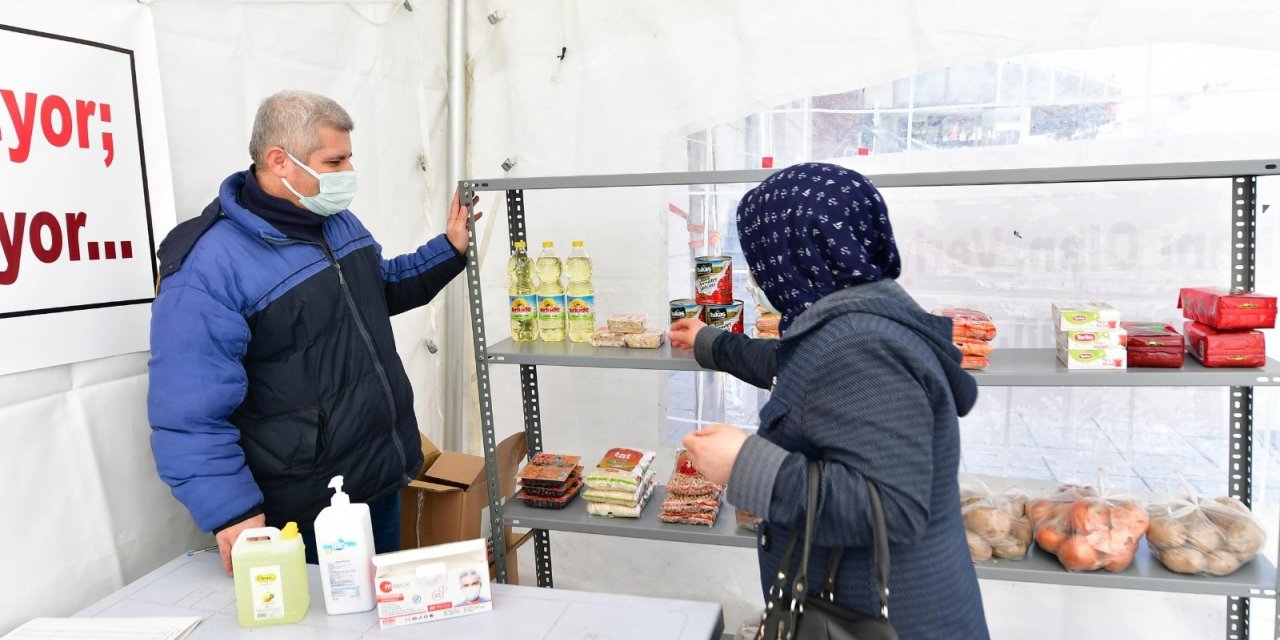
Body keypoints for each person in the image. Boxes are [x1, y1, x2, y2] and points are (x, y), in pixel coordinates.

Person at [147, 90, 480, 574]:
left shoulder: (334, 220)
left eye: (349, 158)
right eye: (335, 160)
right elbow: (187, 411)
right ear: (279, 160)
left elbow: (378, 289)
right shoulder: (207, 267)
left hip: (377, 477)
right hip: (301, 512)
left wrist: (447, 250)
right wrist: (234, 514)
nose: (348, 173)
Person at [671, 162, 989, 639]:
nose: (759, 273)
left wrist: (744, 464)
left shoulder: (858, 343)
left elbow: (890, 507)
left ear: (794, 253)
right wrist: (710, 343)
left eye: (761, 255)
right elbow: (797, 365)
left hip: (889, 622)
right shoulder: (861, 314)